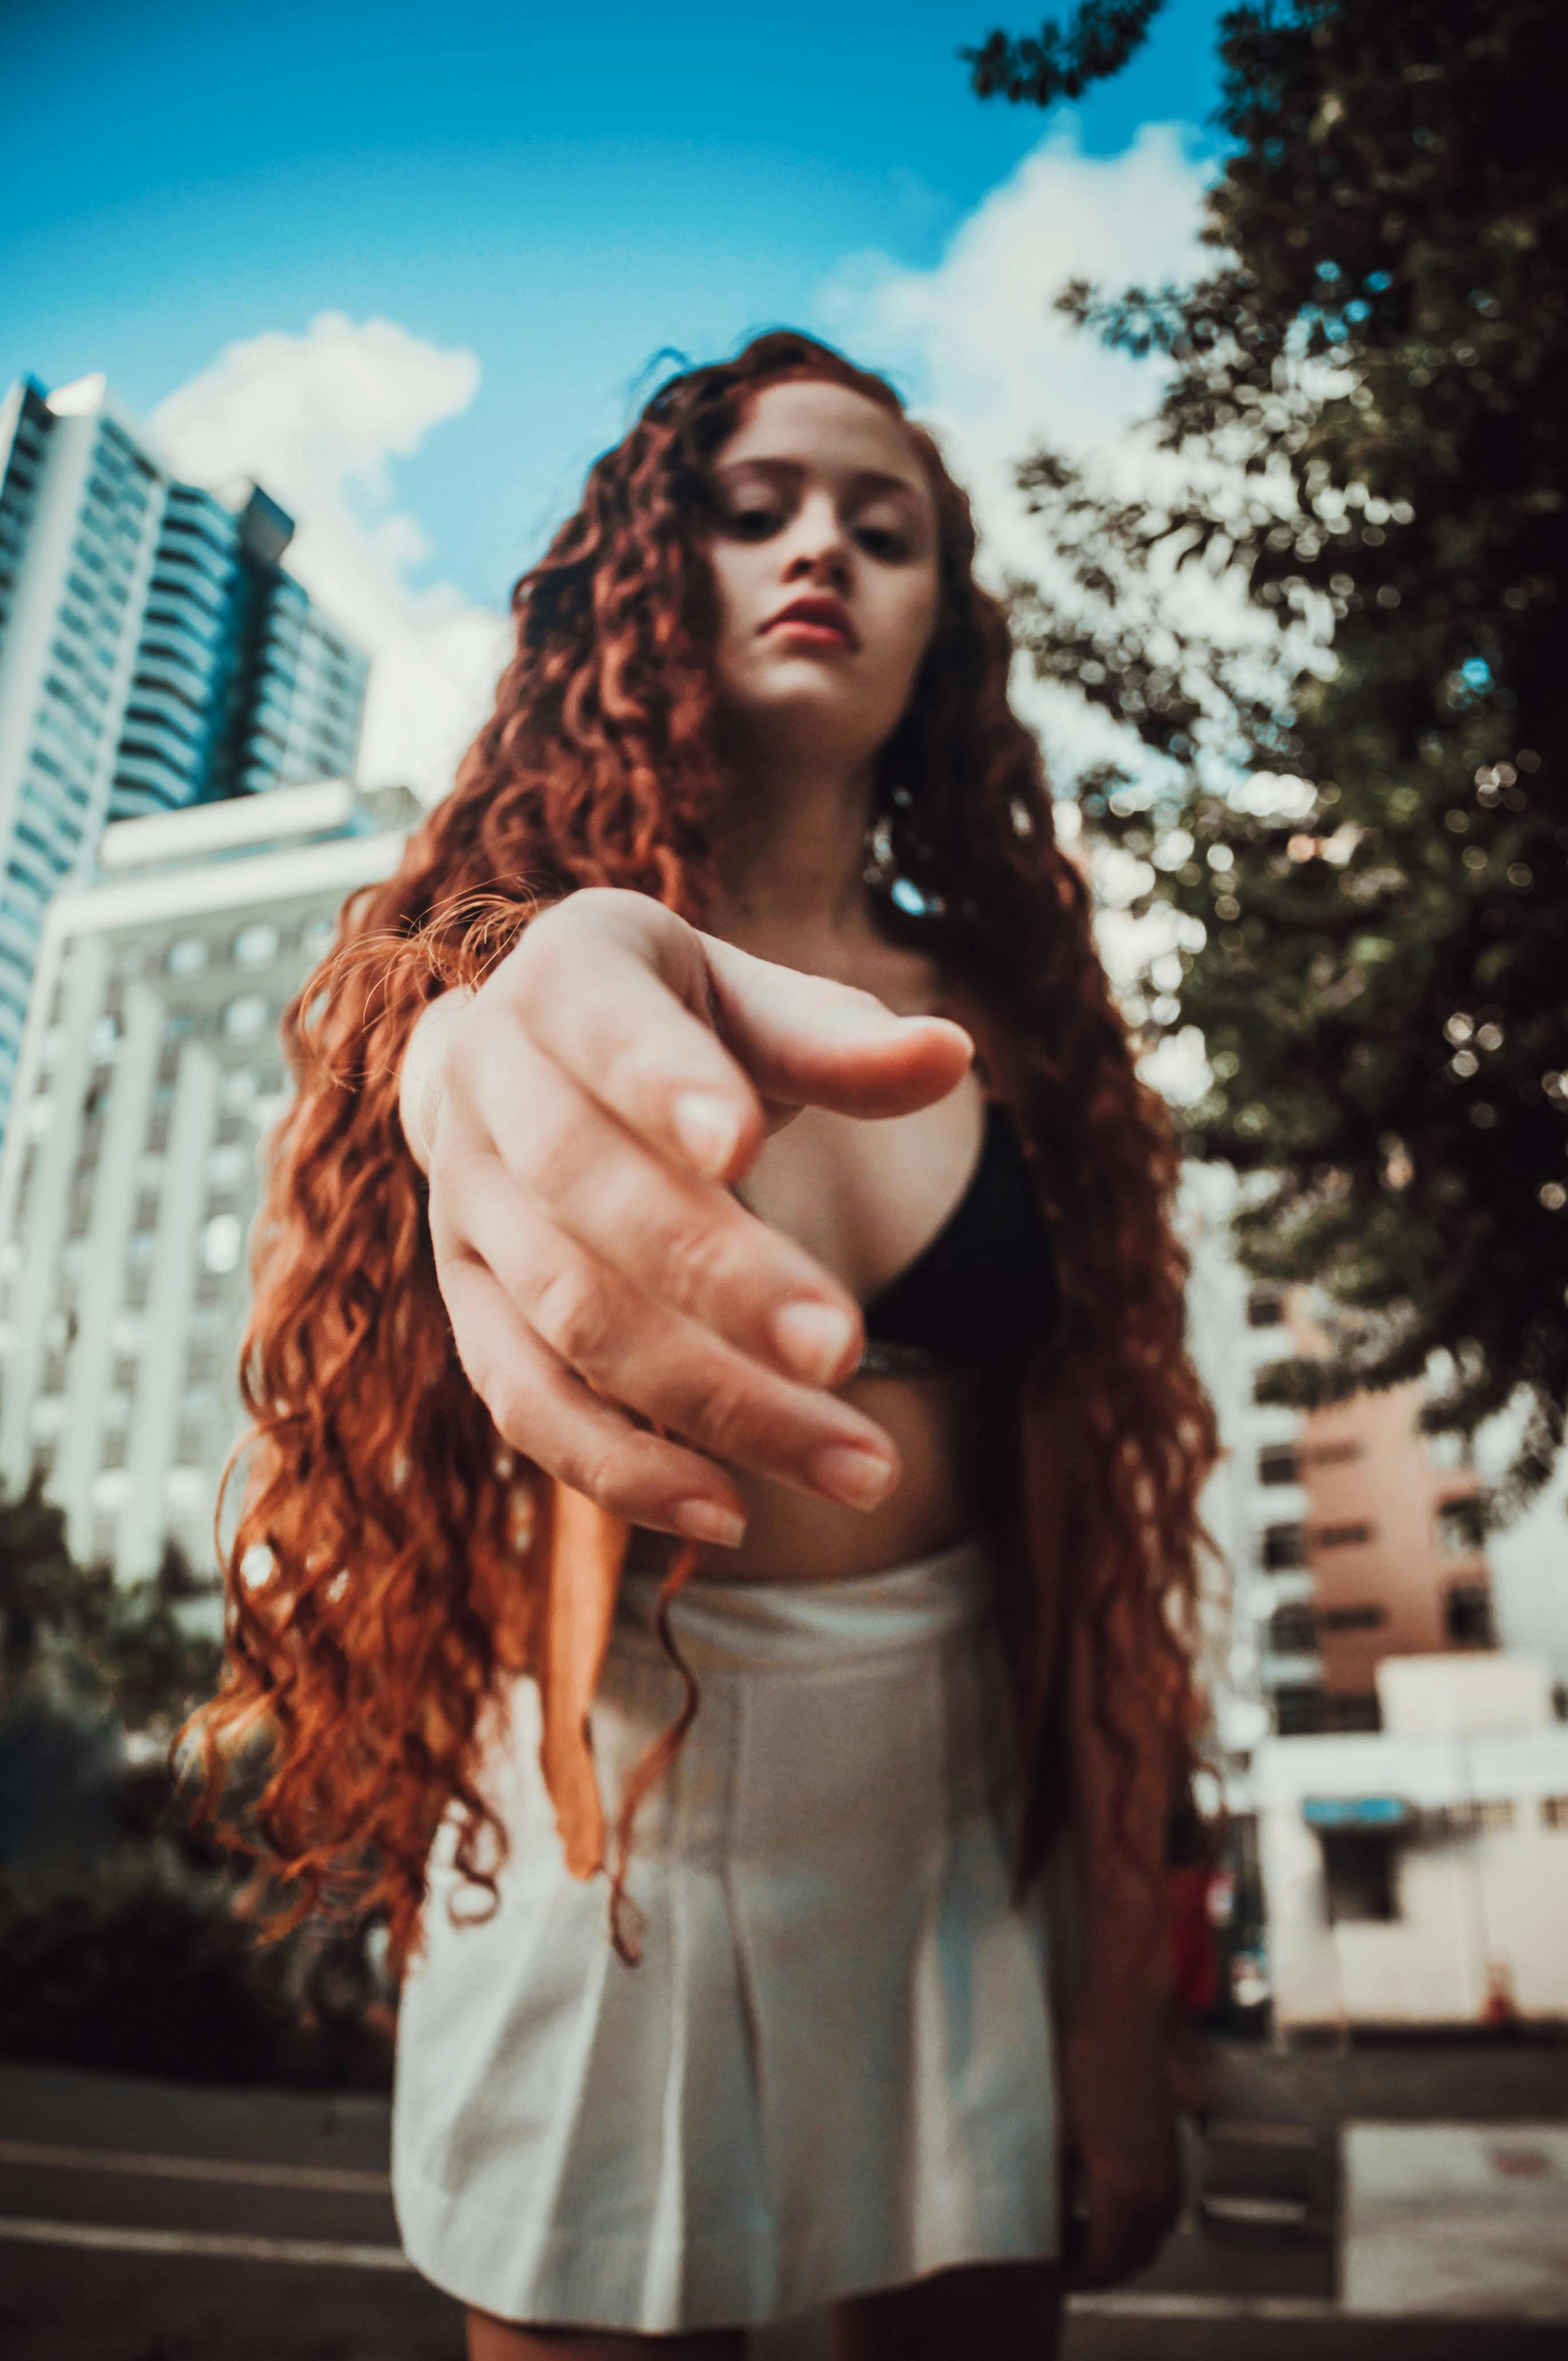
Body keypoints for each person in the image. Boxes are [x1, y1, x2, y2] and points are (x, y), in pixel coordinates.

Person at [192, 330, 1217, 2360]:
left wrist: (1116, 2006)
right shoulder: (511, 963)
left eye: (884, 523)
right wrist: (478, 1017)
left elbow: (1104, 1572)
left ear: (945, 620)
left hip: (954, 1816)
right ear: (656, 575)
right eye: (755, 511)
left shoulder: (1028, 1030)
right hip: (612, 1821)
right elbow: (474, 1042)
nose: (819, 546)